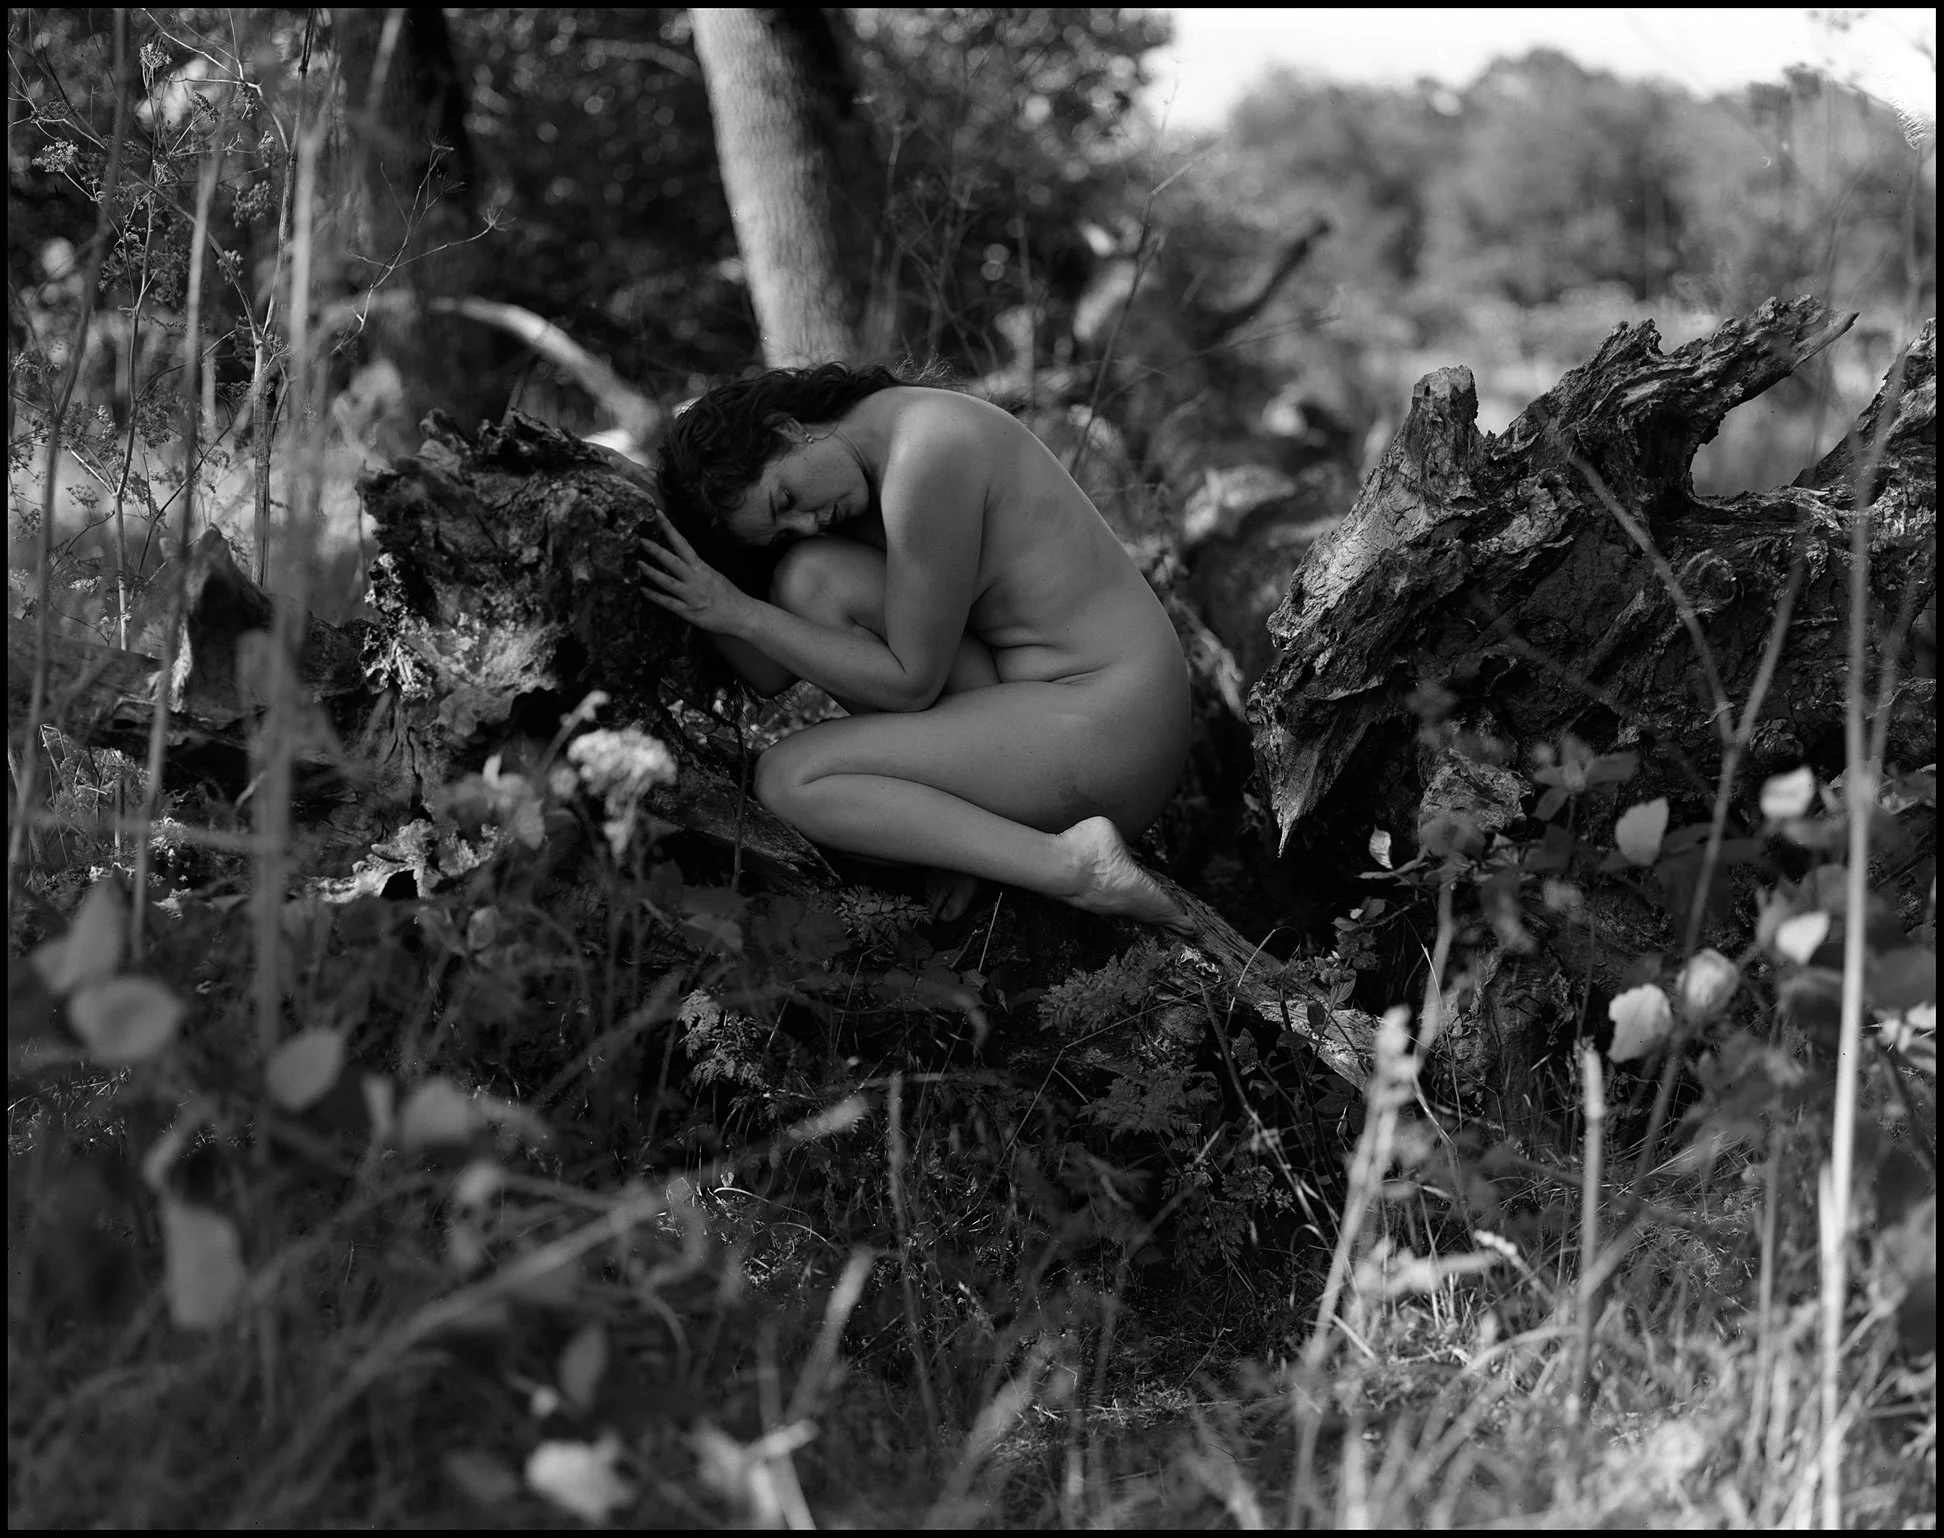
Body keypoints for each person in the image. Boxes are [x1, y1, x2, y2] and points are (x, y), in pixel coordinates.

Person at [644, 363, 1191, 931]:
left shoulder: (924, 455)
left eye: (786, 498)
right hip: (1057, 711)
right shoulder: (885, 431)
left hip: (1113, 729)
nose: (808, 523)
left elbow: (909, 683)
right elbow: (770, 674)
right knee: (810, 578)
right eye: (784, 528)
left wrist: (742, 614)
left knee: (790, 779)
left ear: (786, 428)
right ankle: (969, 827)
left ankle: (1073, 867)